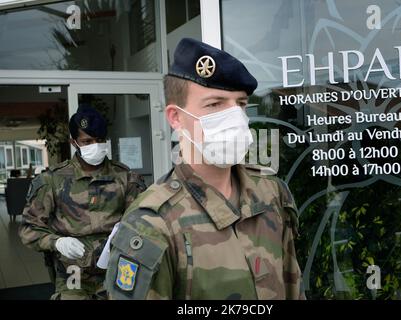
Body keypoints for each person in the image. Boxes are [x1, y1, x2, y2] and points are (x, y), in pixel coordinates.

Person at [105, 38, 305, 300]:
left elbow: (293, 286)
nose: (235, 118)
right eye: (215, 104)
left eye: (241, 104)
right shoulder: (152, 223)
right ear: (176, 117)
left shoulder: (270, 192)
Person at [19, 104, 146, 300]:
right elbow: (29, 229)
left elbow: (141, 222)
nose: (95, 145)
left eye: (100, 140)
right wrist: (57, 242)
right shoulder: (53, 180)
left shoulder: (124, 177)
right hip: (72, 270)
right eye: (87, 141)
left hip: (117, 266)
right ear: (73, 142)